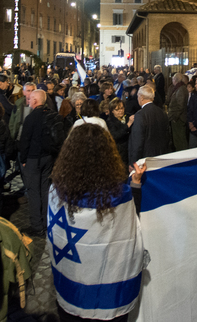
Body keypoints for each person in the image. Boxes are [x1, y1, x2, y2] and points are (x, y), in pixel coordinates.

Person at [48, 124, 145, 321]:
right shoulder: (119, 197)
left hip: (71, 284)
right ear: (108, 156)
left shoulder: (56, 191)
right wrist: (135, 183)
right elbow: (132, 221)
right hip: (108, 289)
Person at [19, 90, 57, 236]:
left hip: (33, 159)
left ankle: (36, 226)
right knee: (45, 190)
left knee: (33, 192)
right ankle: (47, 222)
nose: (28, 101)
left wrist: (23, 160)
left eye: (30, 99)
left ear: (35, 100)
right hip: (48, 157)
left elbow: (25, 140)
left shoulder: (31, 118)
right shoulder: (50, 115)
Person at [106, 98, 134, 166]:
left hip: (130, 151)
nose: (120, 111)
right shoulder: (110, 121)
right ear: (112, 111)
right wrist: (127, 125)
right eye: (117, 109)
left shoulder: (128, 117)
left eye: (122, 108)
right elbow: (115, 135)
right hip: (119, 152)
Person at [167, 74, 189, 151]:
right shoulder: (179, 88)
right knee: (177, 138)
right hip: (176, 117)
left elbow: (180, 106)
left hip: (178, 119)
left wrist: (175, 117)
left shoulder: (181, 89)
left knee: (179, 139)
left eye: (173, 79)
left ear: (175, 80)